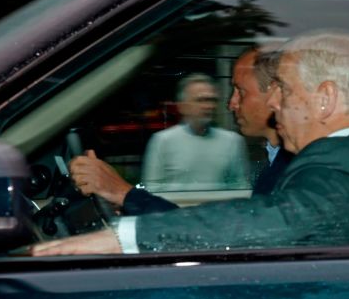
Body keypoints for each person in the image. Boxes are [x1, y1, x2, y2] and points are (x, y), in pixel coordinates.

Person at [32, 29, 349, 255]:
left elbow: (278, 220)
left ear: (325, 99)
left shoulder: (344, 166)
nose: (274, 102)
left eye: (284, 90)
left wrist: (123, 238)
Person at [70, 47, 292, 214]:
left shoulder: (293, 169)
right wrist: (128, 200)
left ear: (274, 95)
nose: (230, 104)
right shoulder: (276, 161)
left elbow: (227, 232)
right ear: (182, 106)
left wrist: (123, 194)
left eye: (240, 92)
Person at [139, 73, 249, 192]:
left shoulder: (233, 141)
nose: (208, 106)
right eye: (201, 100)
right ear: (182, 106)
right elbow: (151, 190)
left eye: (212, 100)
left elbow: (241, 187)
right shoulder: (162, 141)